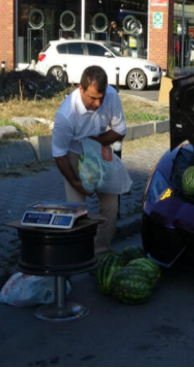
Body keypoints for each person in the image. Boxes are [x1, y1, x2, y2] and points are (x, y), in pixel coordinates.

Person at [52, 65, 126, 254]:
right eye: (92, 98)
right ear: (81, 88)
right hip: (73, 154)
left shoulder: (111, 96)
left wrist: (95, 142)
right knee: (76, 210)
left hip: (99, 150)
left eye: (101, 97)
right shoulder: (65, 115)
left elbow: (120, 130)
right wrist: (75, 183)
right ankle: (78, 254)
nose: (98, 104)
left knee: (111, 207)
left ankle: (100, 253)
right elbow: (59, 154)